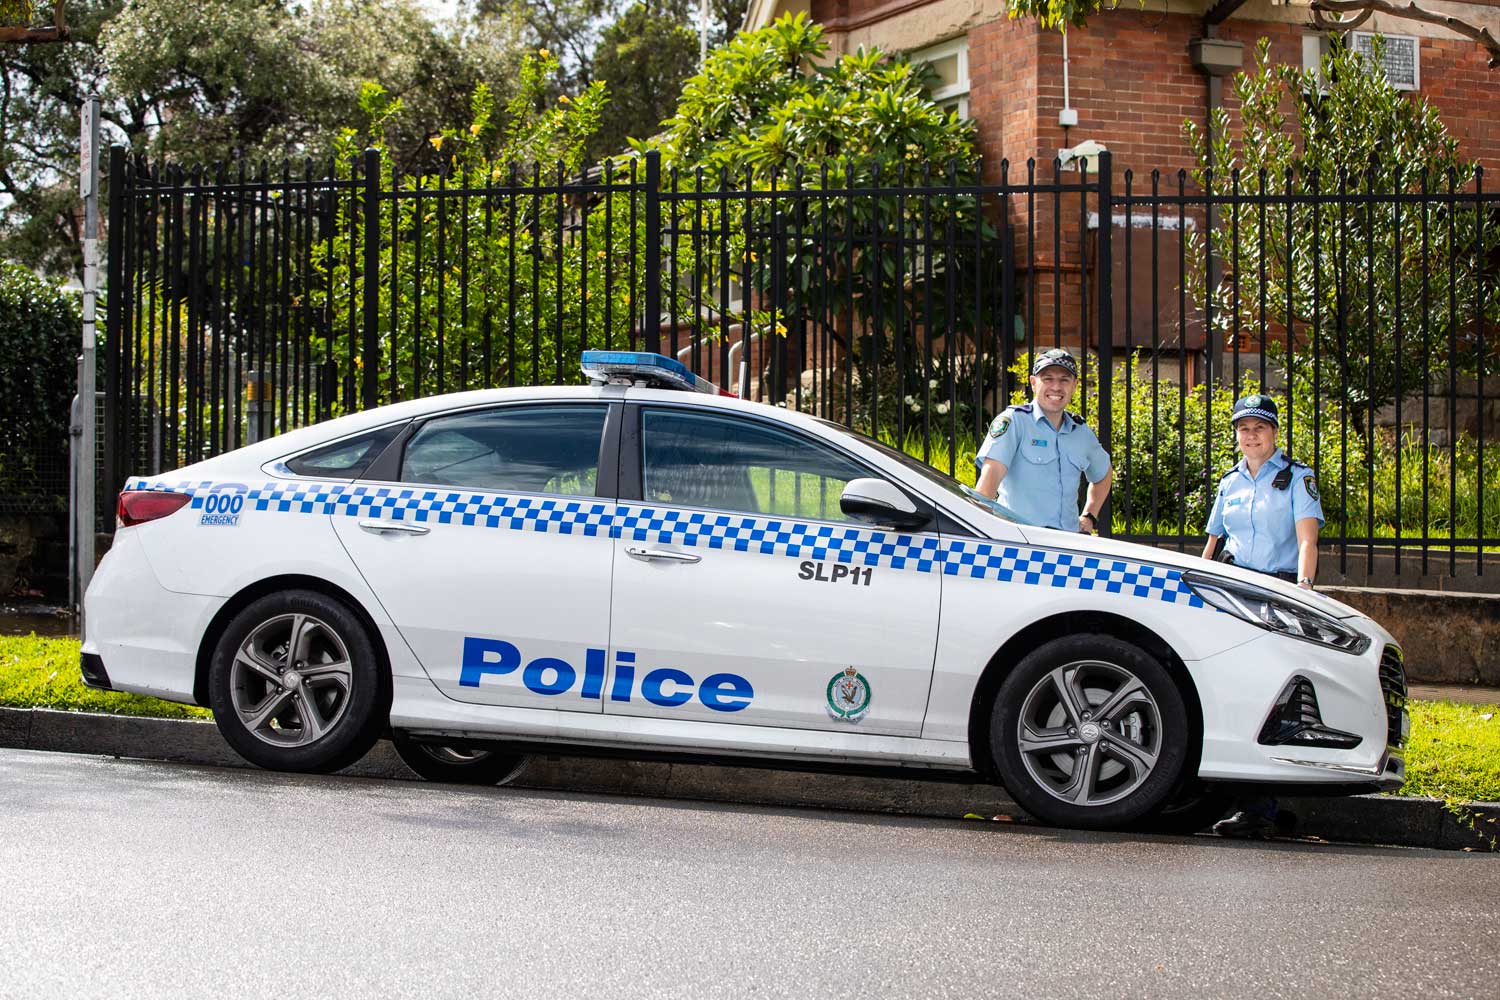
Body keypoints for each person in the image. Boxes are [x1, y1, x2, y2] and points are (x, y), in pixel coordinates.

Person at [1202, 392, 1325, 839]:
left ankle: (1262, 806)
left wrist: (1304, 588)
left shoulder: (1297, 478)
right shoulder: (1229, 482)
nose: (1250, 435)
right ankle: (1254, 805)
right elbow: (1213, 544)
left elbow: (1307, 540)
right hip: (1235, 593)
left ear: (1274, 432)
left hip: (1277, 591)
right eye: (1243, 429)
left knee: (1269, 694)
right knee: (1228, 690)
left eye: (1259, 427)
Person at [974, 348, 1112, 534]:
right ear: (1033, 383)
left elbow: (1104, 473)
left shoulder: (1081, 432)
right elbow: (987, 486)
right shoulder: (1015, 422)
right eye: (1048, 379)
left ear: (1075, 385)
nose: (1056, 387)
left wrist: (1089, 516)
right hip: (1021, 541)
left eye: (1064, 380)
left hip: (1068, 542)